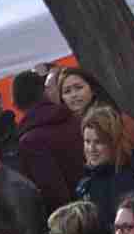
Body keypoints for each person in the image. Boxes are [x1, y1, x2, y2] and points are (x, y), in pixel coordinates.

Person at [11, 69, 82, 208]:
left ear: (15, 104)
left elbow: (53, 191)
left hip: (75, 213)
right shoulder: (74, 118)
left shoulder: (30, 141)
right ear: (44, 92)